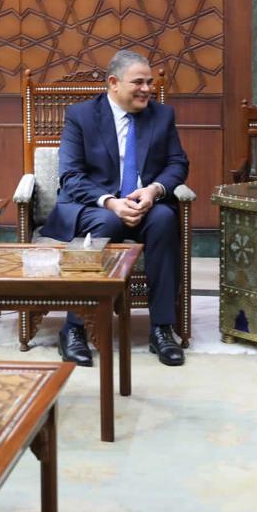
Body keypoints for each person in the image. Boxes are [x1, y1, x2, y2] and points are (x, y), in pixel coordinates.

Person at [41, 50, 189, 367]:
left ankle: (162, 328)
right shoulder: (81, 116)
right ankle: (75, 328)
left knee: (165, 218)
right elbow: (71, 175)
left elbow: (177, 163)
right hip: (94, 205)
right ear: (113, 83)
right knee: (106, 224)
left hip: (145, 204)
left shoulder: (162, 116)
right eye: (138, 82)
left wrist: (154, 190)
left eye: (149, 82)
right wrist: (111, 202)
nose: (147, 89)